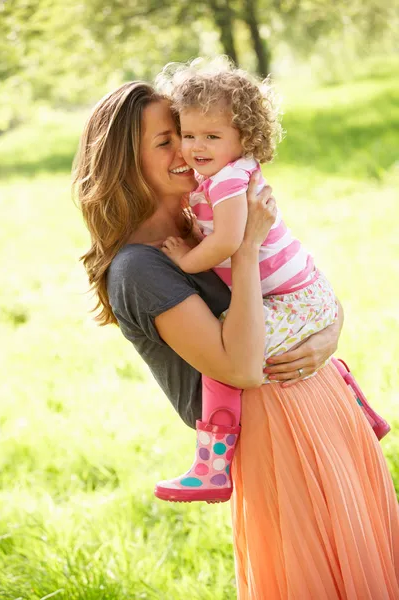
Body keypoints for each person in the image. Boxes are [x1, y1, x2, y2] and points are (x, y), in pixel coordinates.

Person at [73, 80, 399, 599]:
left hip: (326, 410)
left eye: (183, 132)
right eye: (166, 141)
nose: (186, 149)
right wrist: (244, 247)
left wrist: (332, 329)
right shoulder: (139, 267)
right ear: (124, 162)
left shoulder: (202, 214)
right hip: (279, 439)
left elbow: (292, 283)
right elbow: (242, 368)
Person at [153, 58, 341, 503]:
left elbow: (230, 242)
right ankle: (356, 404)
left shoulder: (228, 182)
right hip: (301, 287)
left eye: (212, 137)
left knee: (224, 359)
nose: (196, 146)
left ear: (245, 138)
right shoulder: (224, 172)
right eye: (189, 134)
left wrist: (185, 262)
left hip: (291, 298)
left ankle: (212, 468)